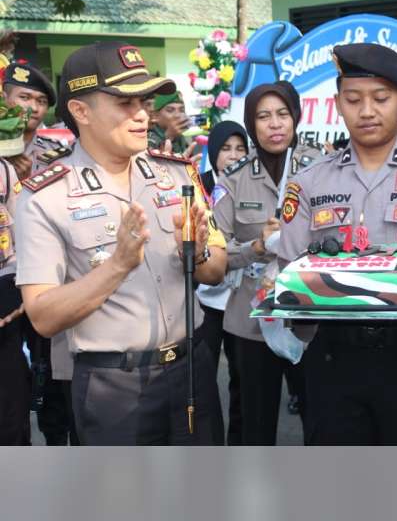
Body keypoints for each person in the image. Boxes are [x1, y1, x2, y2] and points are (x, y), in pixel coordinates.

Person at [14, 41, 227, 445]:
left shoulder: (177, 176)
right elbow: (42, 315)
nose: (143, 115)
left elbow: (217, 269)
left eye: (144, 101)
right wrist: (117, 266)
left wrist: (196, 252)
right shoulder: (44, 197)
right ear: (81, 111)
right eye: (125, 103)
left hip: (192, 370)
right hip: (113, 385)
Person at [276, 43, 397, 445]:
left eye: (381, 98)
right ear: (337, 104)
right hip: (331, 360)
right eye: (353, 99)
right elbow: (288, 264)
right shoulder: (309, 183)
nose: (367, 111)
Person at [213, 81, 322, 445]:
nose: (275, 124)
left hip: (310, 317)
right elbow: (216, 254)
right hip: (252, 322)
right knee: (254, 424)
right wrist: (256, 247)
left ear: (295, 118)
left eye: (282, 114)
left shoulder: (320, 169)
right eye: (263, 116)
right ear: (251, 124)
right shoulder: (233, 180)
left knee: (321, 420)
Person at [2, 59, 76, 445]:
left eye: (39, 101)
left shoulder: (58, 150)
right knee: (11, 392)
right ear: (5, 98)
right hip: (5, 289)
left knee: (55, 376)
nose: (31, 108)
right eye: (23, 97)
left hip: (51, 278)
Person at [196, 120, 249, 445]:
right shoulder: (198, 185)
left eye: (240, 148)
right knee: (203, 379)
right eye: (226, 149)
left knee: (242, 381)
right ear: (213, 152)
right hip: (206, 302)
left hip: (241, 297)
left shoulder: (253, 184)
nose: (232, 156)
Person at [0, 158, 31, 445]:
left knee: (10, 401)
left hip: (3, 288)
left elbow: (19, 230)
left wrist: (17, 287)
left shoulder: (4, 170)